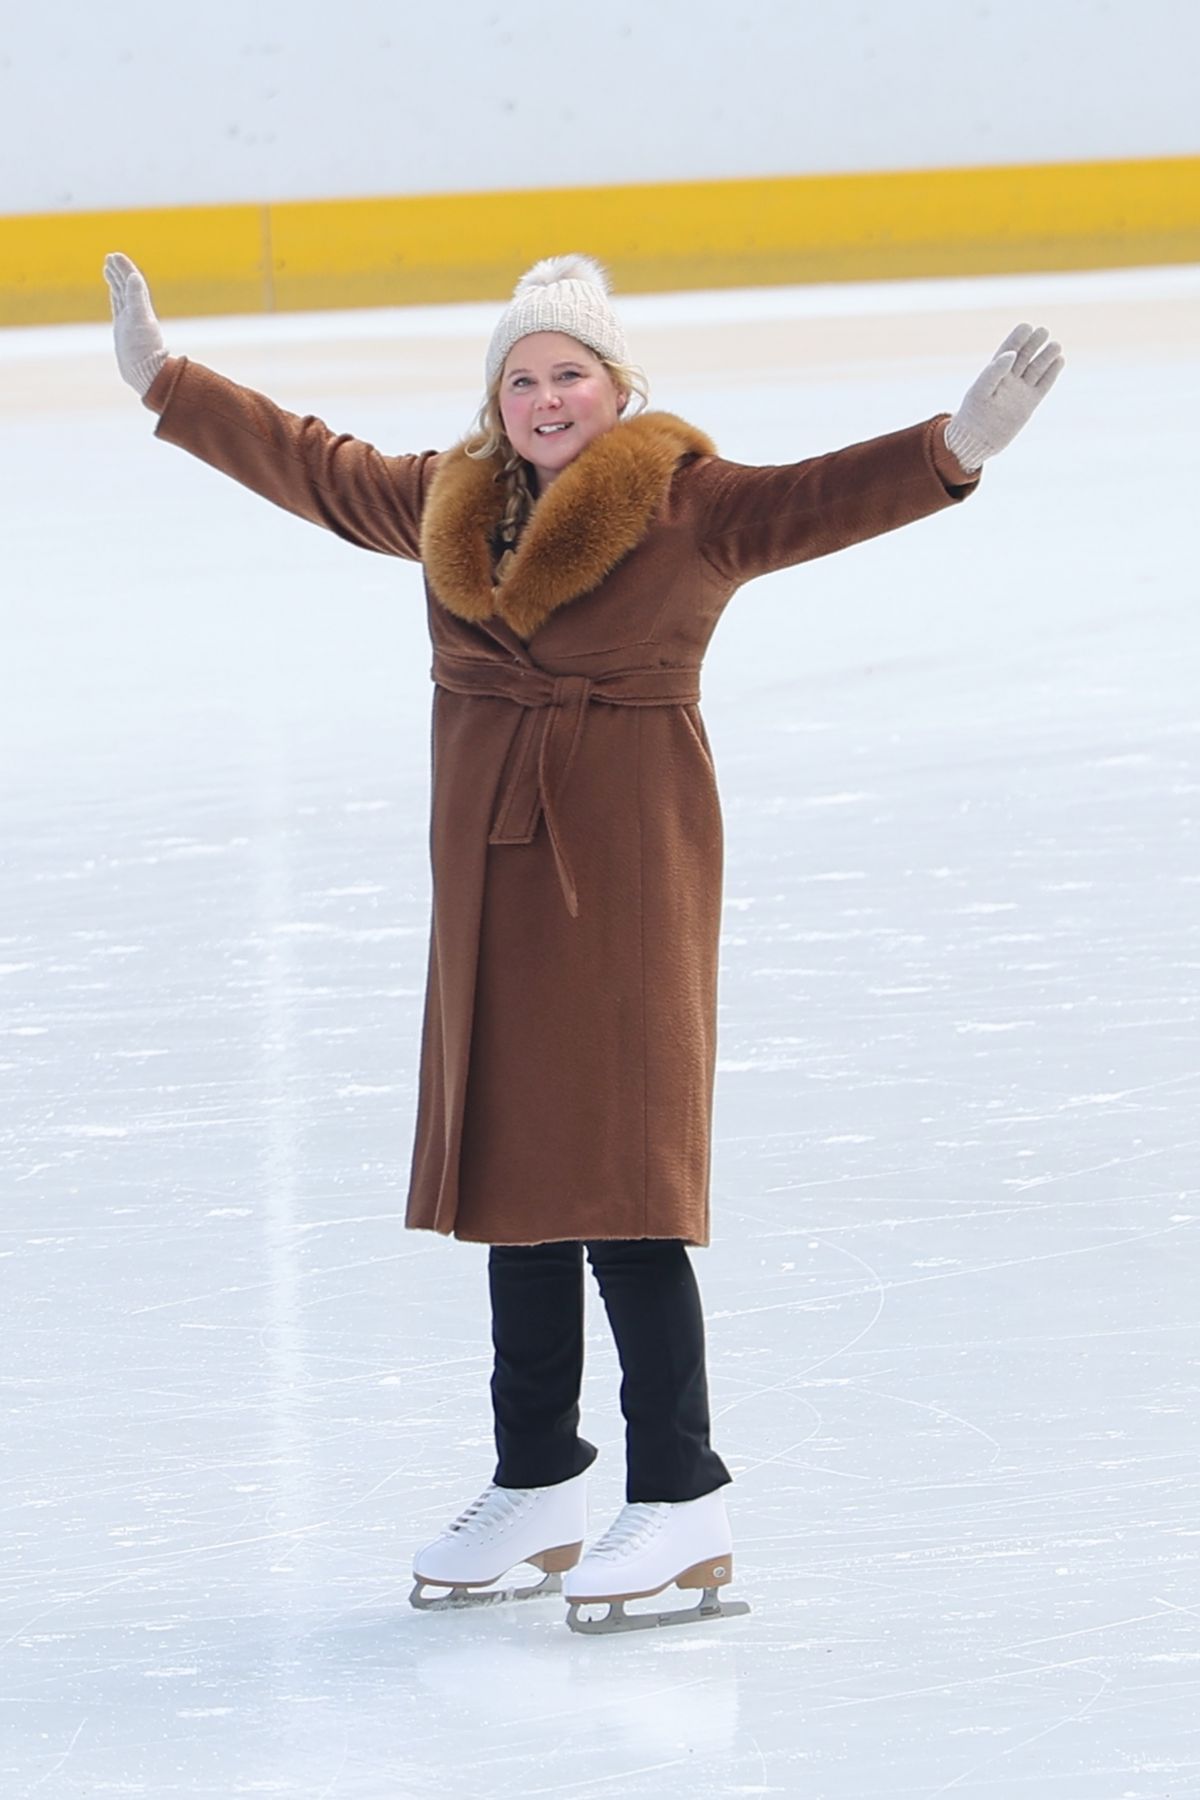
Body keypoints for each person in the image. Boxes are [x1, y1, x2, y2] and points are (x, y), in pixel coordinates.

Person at [103, 250, 1063, 1635]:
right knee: (515, 1174)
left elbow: (815, 504)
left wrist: (953, 450)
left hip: (620, 864)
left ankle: (682, 1494)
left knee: (617, 1180)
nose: (548, 396)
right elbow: (315, 465)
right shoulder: (451, 500)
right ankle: (540, 1473)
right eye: (524, 377)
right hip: (489, 877)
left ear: (618, 391)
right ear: (499, 401)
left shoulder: (688, 507)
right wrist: (166, 381)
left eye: (571, 374)